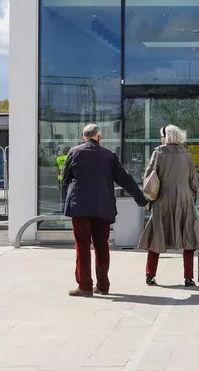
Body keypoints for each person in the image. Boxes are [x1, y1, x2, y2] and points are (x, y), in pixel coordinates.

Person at [63, 123, 148, 297]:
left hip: (80, 207)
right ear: (99, 138)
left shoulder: (74, 152)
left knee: (82, 245)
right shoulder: (109, 156)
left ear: (83, 137)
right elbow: (125, 179)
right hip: (103, 207)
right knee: (102, 245)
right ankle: (103, 285)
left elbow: (65, 178)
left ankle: (85, 286)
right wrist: (141, 199)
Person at [139, 124, 199, 287]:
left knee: (156, 237)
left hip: (162, 200)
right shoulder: (187, 155)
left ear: (167, 137)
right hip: (184, 200)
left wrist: (149, 200)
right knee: (188, 238)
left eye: (162, 136)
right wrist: (191, 199)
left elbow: (149, 178)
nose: (161, 139)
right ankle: (189, 277)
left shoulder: (158, 153)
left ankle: (150, 275)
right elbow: (194, 182)